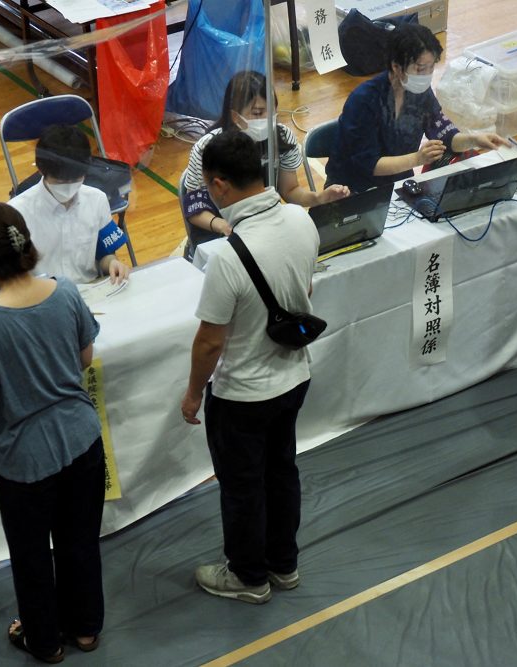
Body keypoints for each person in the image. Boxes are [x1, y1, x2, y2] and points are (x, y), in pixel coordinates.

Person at [0, 203, 106, 662]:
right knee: (80, 541)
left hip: (26, 461)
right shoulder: (64, 292)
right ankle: (85, 629)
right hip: (82, 440)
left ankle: (44, 641)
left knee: (32, 556)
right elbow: (85, 359)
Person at [180, 131, 319, 604]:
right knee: (282, 471)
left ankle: (248, 575)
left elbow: (209, 342)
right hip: (294, 378)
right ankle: (284, 565)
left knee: (242, 487)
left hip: (242, 395)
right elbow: (306, 291)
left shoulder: (228, 259)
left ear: (219, 186)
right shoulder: (303, 221)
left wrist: (193, 392)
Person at [181, 70, 349, 256]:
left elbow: (290, 190)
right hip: (218, 234)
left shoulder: (282, 139)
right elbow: (194, 208)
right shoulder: (208, 149)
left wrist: (318, 199)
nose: (267, 120)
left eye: (272, 112)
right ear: (236, 116)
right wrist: (223, 226)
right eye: (258, 113)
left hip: (263, 227)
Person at [325, 23, 507, 194]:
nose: (427, 76)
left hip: (399, 185)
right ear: (396, 67)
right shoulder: (364, 101)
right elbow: (369, 164)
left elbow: (447, 137)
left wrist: (474, 139)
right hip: (353, 190)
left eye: (431, 68)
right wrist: (418, 159)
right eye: (420, 69)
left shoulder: (420, 93)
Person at [8, 124, 130, 285]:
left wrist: (112, 263)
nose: (68, 188)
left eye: (75, 180)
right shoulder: (17, 212)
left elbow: (104, 254)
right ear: (41, 170)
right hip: (41, 297)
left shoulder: (97, 200)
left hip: (89, 290)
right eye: (60, 182)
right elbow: (13, 277)